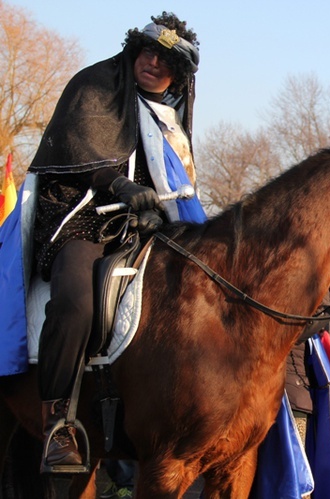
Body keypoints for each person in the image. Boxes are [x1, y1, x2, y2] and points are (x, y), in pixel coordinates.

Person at [28, 13, 204, 469]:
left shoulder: (171, 119)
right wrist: (119, 186)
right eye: (146, 52)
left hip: (146, 229)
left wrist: (151, 211)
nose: (151, 62)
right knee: (76, 304)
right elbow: (68, 156)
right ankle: (57, 424)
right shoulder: (94, 86)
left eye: (164, 60)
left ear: (178, 74)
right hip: (82, 219)